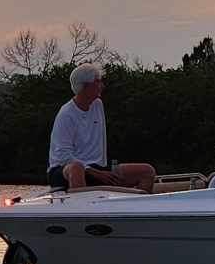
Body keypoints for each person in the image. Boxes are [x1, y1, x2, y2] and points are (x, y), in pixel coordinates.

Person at [48, 63, 156, 192]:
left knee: (147, 171)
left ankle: (136, 204)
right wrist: (93, 172)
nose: (102, 86)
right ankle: (81, 203)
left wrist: (104, 171)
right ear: (85, 86)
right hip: (64, 170)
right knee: (77, 168)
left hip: (97, 168)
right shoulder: (66, 114)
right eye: (98, 82)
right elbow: (62, 155)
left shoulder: (98, 105)